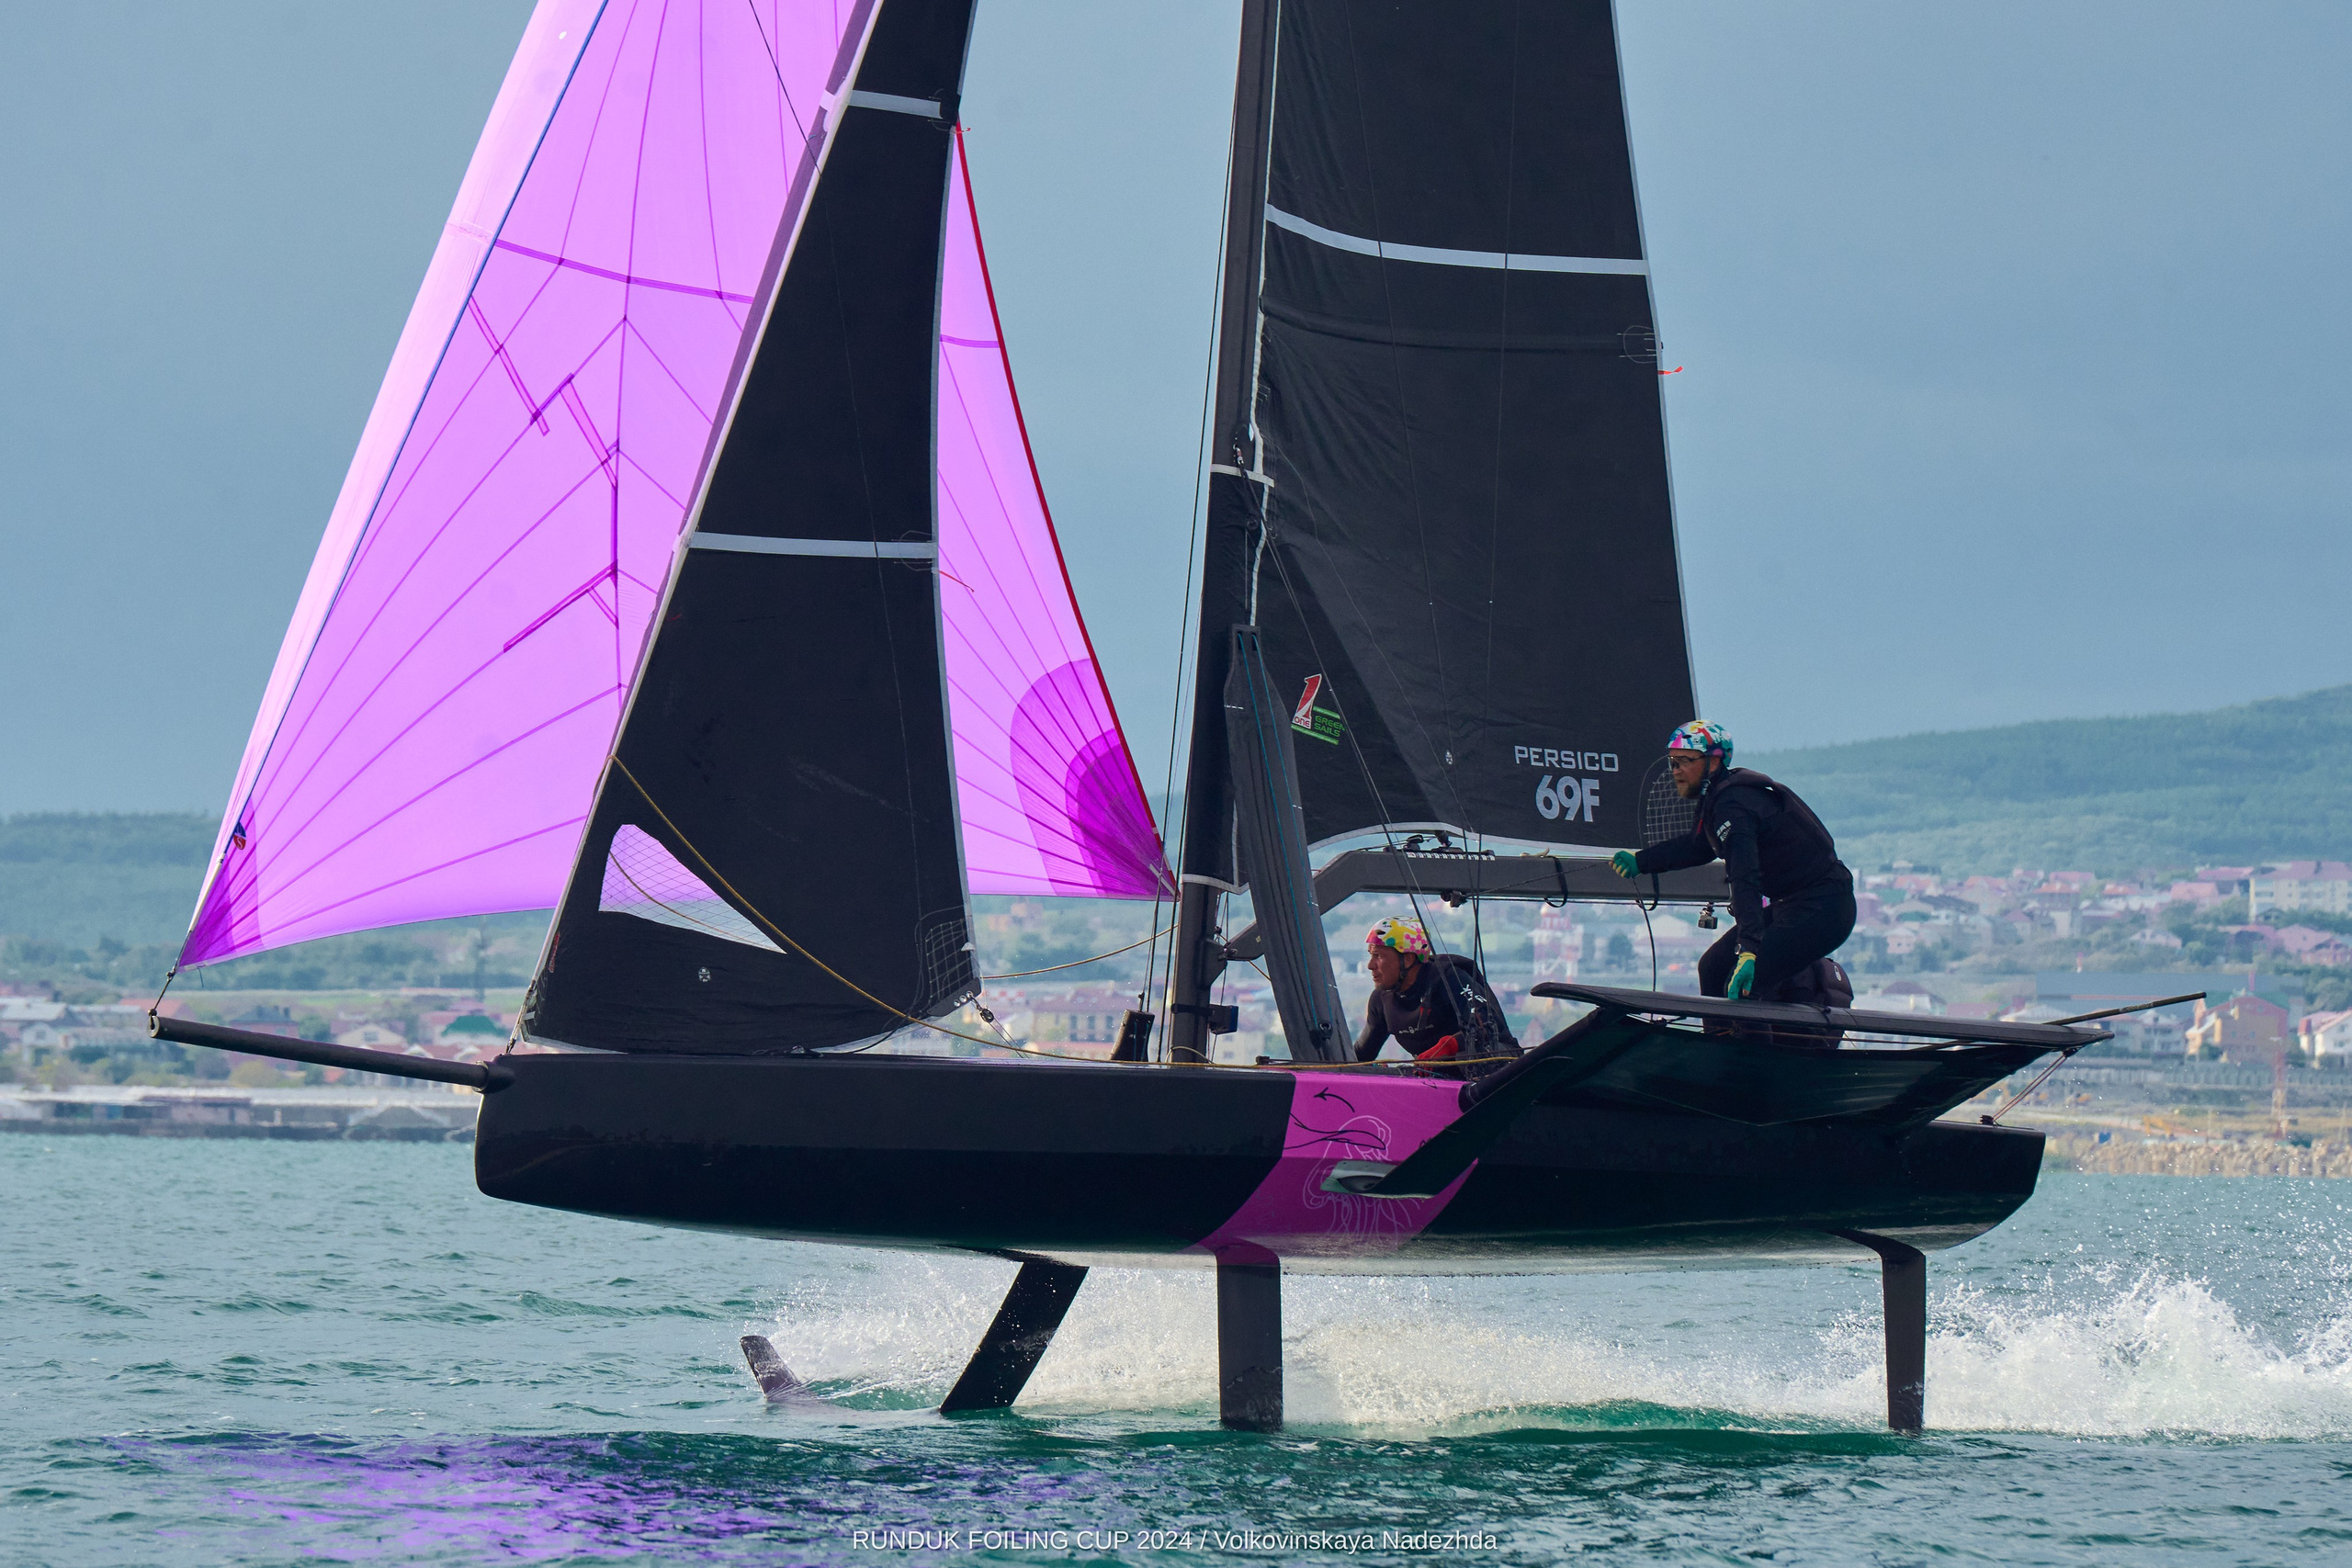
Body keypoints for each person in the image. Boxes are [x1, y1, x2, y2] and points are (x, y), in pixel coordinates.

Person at [1609, 719, 1855, 1006]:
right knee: (1712, 968)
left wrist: (1749, 950)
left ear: (1713, 764)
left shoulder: (1734, 805)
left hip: (1824, 908)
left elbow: (1744, 877)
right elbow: (1699, 847)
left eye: (1685, 761)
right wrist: (1642, 860)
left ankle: (1748, 1052)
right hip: (1791, 904)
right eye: (1672, 762)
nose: (1675, 770)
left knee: (1742, 987)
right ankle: (1721, 1044)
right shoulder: (1718, 796)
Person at [1352, 918, 1520, 1077]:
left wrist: (1448, 1046)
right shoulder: (1380, 1000)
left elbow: (1486, 1027)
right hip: (1438, 1080)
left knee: (1467, 1055)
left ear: (1408, 959)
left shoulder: (1450, 979)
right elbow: (1360, 1055)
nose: (1370, 965)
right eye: (1370, 955)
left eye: (1378, 956)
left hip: (1497, 1067)